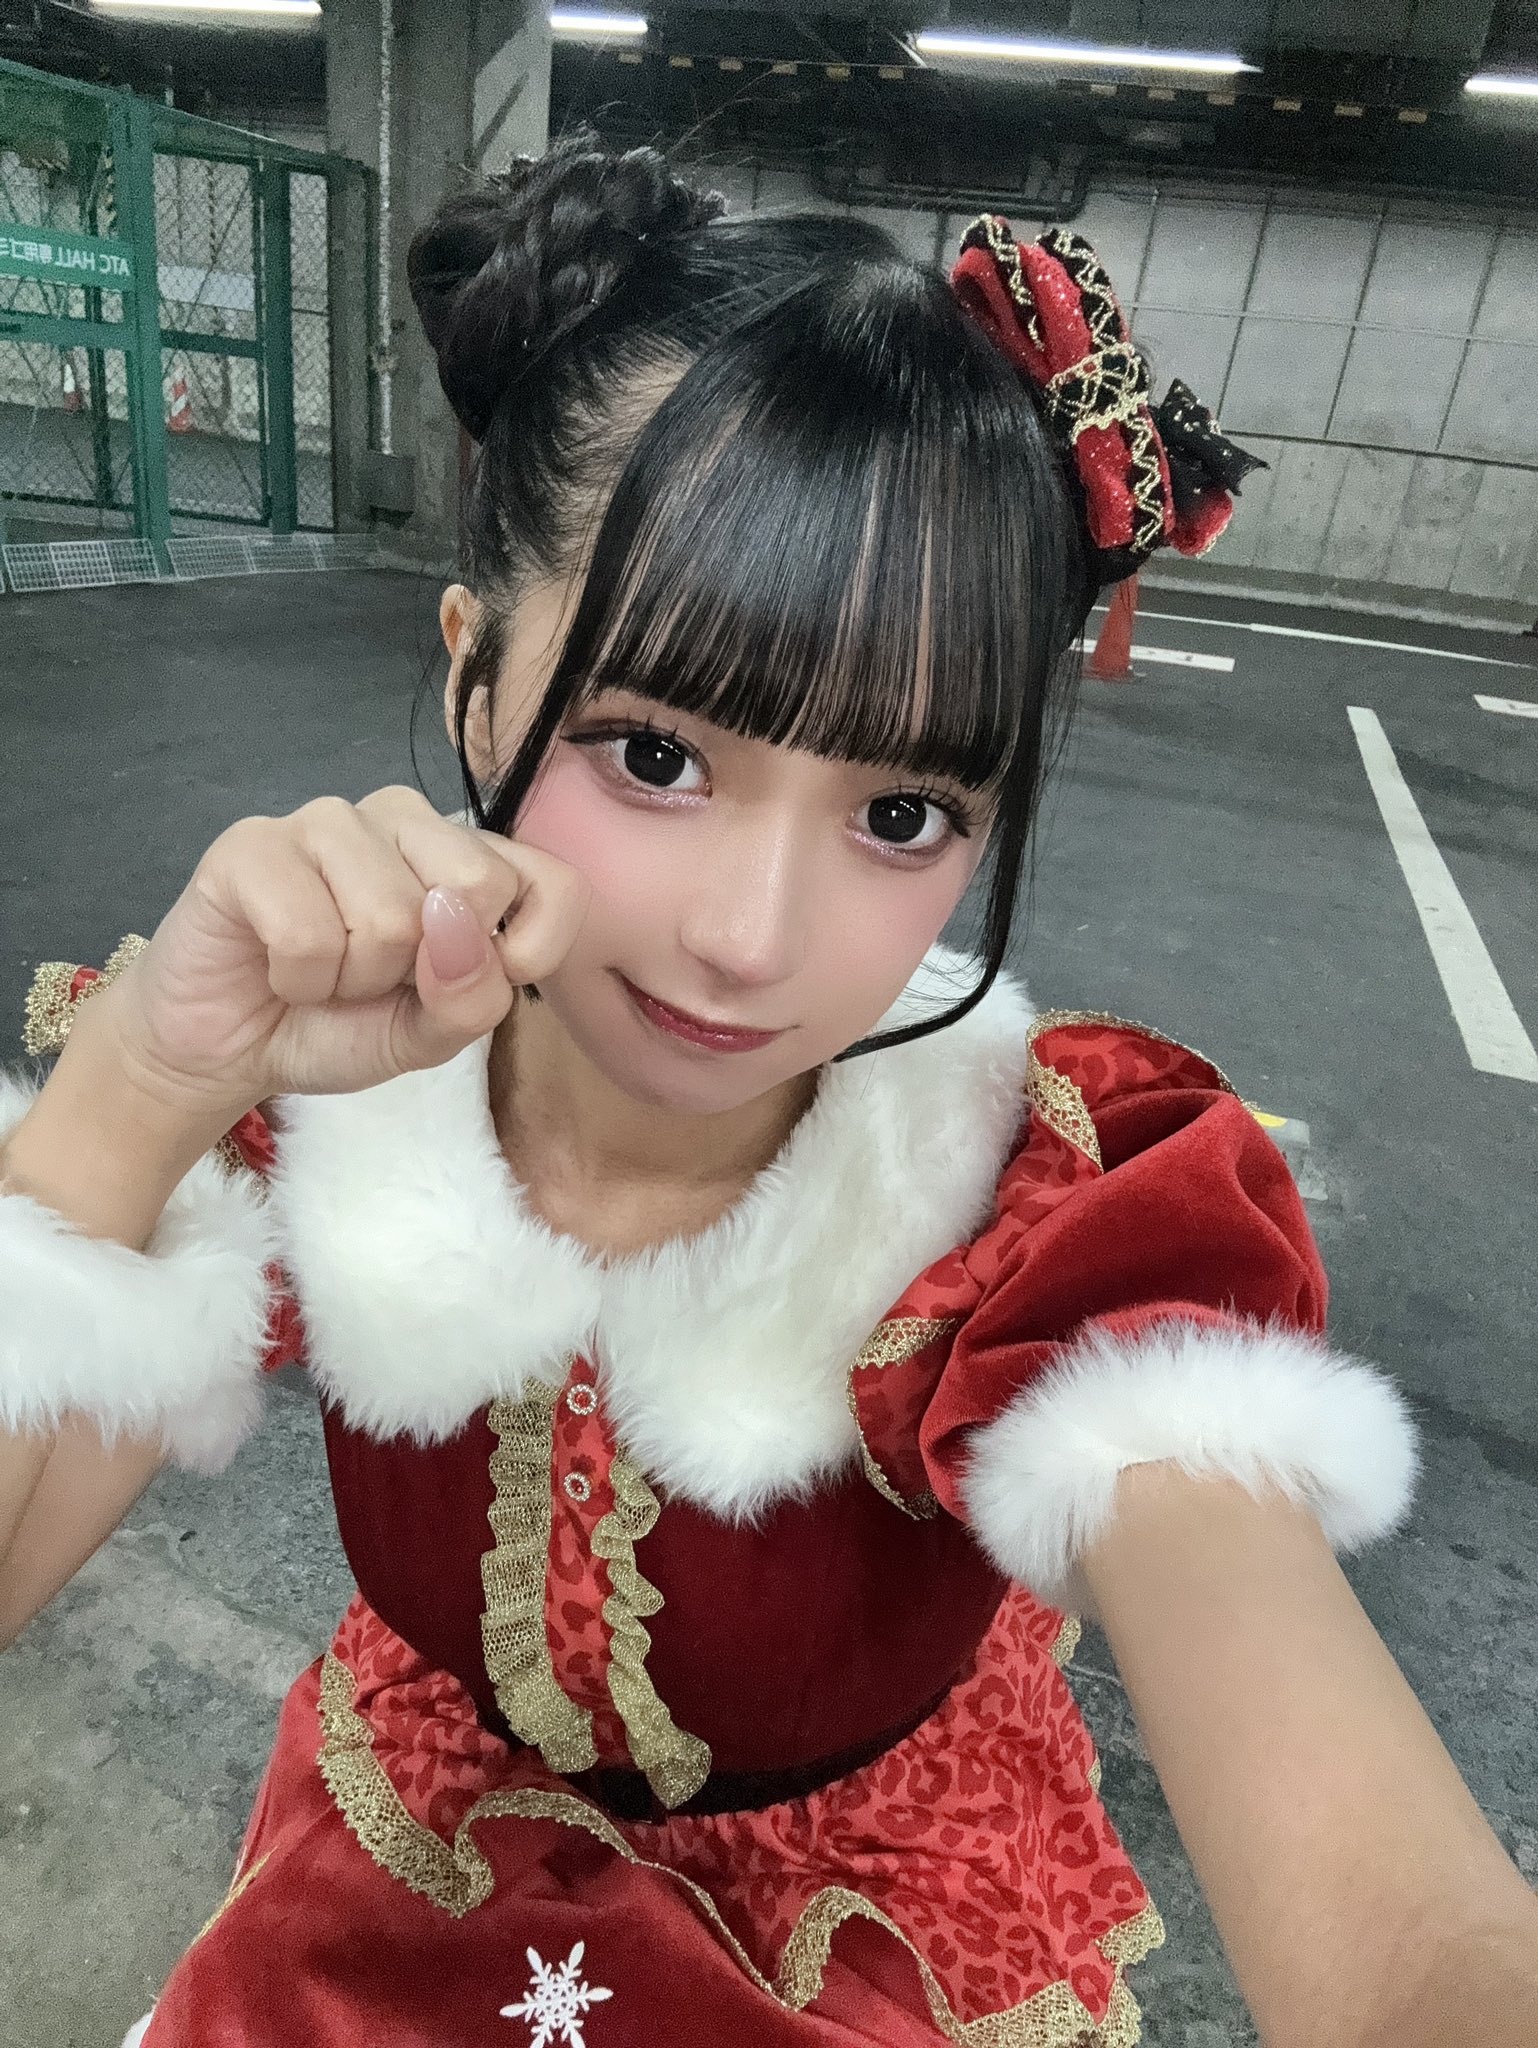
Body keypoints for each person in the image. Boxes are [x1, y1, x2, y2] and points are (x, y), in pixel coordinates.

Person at [2, 136, 1535, 2048]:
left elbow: (1407, 1943)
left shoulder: (1037, 1208)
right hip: (409, 1859)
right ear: (474, 682)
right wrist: (145, 1077)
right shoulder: (311, 1095)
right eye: (654, 755)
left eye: (903, 813)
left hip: (869, 1942)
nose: (750, 941)